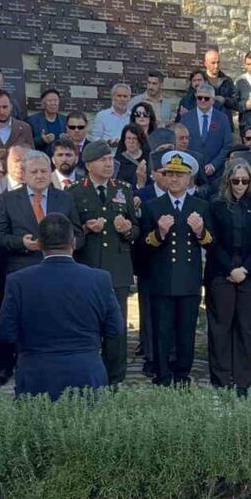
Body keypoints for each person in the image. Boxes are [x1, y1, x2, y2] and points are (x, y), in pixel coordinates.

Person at [0, 213, 124, 400]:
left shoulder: (19, 281)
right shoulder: (99, 279)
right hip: (86, 372)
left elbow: (5, 332)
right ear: (73, 242)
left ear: (40, 244)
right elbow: (115, 329)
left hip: (36, 375)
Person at [0, 149, 80, 385]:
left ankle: (54, 364)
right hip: (21, 270)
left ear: (51, 171)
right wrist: (21, 243)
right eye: (34, 172)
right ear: (24, 173)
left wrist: (65, 246)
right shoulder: (8, 199)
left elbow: (78, 233)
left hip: (58, 273)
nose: (40, 175)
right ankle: (6, 365)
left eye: (43, 171)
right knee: (15, 319)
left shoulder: (65, 199)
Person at [68, 142, 139, 386]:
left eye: (110, 160)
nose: (109, 164)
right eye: (103, 160)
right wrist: (87, 228)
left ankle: (115, 377)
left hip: (117, 268)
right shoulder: (75, 192)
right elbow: (72, 235)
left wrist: (127, 230)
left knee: (116, 326)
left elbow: (136, 229)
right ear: (89, 165)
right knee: (86, 325)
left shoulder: (123, 189)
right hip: (87, 268)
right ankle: (87, 376)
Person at [141, 150, 212, 386]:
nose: (174, 179)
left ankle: (182, 374)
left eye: (179, 175)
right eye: (170, 174)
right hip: (163, 279)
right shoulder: (153, 206)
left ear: (189, 177)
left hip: (189, 279)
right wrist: (159, 233)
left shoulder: (200, 206)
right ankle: (162, 375)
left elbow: (212, 243)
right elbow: (143, 246)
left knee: (186, 331)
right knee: (162, 330)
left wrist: (200, 231)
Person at [204, 158, 251, 394]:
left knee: (247, 328)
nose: (240, 185)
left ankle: (243, 380)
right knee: (221, 327)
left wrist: (245, 270)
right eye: (236, 181)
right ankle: (221, 379)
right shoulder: (216, 205)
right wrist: (229, 269)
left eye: (245, 181)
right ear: (228, 181)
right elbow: (211, 242)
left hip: (250, 273)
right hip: (221, 271)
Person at [180, 83, 231, 181]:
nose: (202, 100)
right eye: (199, 98)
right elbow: (180, 143)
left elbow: (227, 145)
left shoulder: (222, 119)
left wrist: (214, 165)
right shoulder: (186, 118)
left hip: (216, 174)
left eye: (206, 98)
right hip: (190, 172)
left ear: (213, 100)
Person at [29, 88, 66, 152]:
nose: (53, 103)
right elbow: (26, 143)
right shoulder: (32, 121)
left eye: (55, 100)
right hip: (41, 156)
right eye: (49, 100)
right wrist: (41, 140)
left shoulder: (65, 120)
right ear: (43, 103)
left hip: (62, 156)